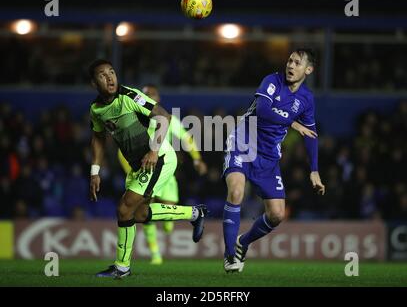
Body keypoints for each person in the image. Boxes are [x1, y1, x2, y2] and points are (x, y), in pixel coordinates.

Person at [88, 59, 208, 278]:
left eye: (112, 72)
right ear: (94, 83)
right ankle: (195, 213)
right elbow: (98, 137)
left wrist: (153, 150)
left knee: (124, 209)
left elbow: (163, 116)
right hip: (139, 165)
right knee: (141, 214)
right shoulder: (96, 109)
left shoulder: (129, 96)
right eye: (102, 75)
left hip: (159, 157)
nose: (110, 77)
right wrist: (94, 172)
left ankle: (121, 267)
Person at [222, 48, 326, 272]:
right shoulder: (272, 81)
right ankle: (230, 255)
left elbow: (311, 135)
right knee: (236, 192)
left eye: (297, 63)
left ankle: (242, 243)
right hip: (243, 142)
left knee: (277, 214)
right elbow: (263, 110)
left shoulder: (306, 99)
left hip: (269, 155)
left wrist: (314, 169)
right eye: (289, 61)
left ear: (308, 70)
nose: (290, 66)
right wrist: (293, 123)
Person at [117, 84, 208, 265]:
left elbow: (186, 138)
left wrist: (197, 159)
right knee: (142, 209)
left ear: (157, 99)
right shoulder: (134, 117)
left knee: (166, 217)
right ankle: (155, 254)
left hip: (164, 168)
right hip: (145, 171)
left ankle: (190, 215)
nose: (149, 96)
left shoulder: (167, 118)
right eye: (146, 94)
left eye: (152, 94)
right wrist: (132, 171)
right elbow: (121, 151)